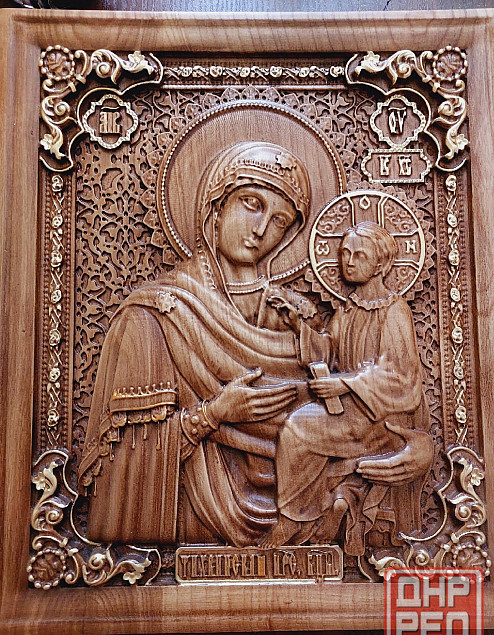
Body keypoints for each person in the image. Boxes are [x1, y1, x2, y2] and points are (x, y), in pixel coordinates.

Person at [78, 141, 315, 546]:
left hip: (299, 521)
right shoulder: (151, 317)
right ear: (216, 206)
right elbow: (122, 464)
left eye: (279, 220)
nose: (261, 230)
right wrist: (215, 413)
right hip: (190, 518)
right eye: (251, 203)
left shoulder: (295, 319)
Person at [263, 221, 433, 554]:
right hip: (351, 412)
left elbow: (400, 377)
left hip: (381, 421)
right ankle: (328, 507)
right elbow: (329, 351)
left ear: (380, 264)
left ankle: (295, 519)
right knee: (288, 416)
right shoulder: (348, 309)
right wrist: (299, 327)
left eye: (359, 255)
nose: (348, 262)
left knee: (297, 430)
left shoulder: (393, 311)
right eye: (344, 253)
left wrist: (343, 384)